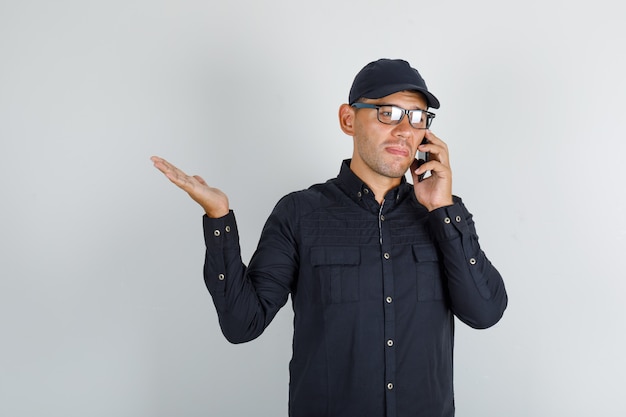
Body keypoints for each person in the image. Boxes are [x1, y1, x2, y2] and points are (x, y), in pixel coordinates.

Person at [151, 58, 508, 417]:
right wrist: (219, 218)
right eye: (389, 113)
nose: (404, 130)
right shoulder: (299, 213)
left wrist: (443, 209)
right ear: (348, 120)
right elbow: (243, 323)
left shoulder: (444, 216)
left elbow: (485, 312)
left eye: (417, 117)